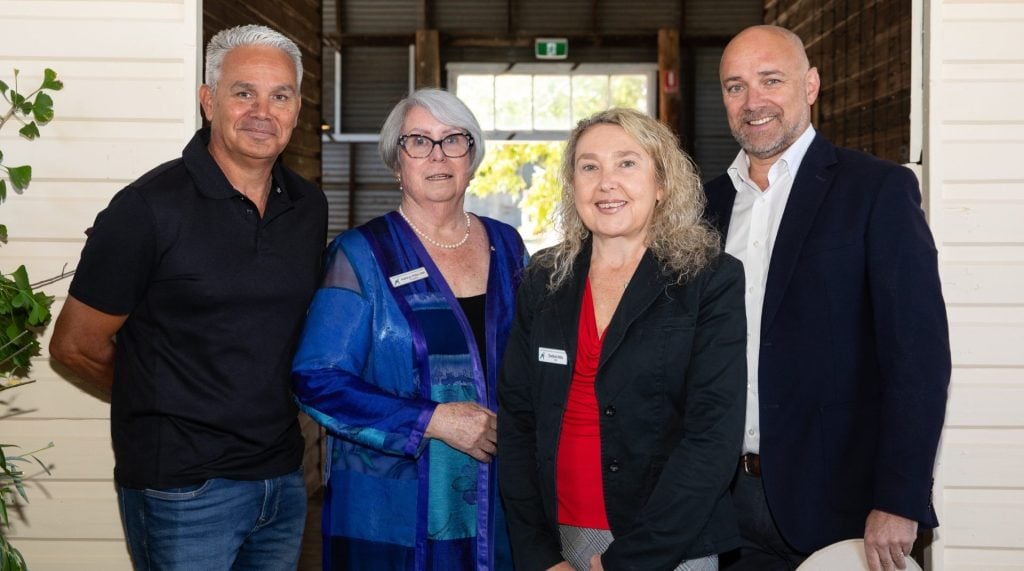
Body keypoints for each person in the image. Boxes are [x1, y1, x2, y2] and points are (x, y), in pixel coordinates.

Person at [48, 24, 326, 570]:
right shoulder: (146, 209)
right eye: (244, 92)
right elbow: (75, 346)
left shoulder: (308, 207)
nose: (262, 111)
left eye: (280, 95)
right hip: (182, 490)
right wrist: (165, 406)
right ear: (208, 100)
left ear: (296, 109)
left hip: (281, 482)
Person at [705, 25, 951, 571]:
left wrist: (899, 498)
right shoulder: (705, 206)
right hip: (721, 507)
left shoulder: (876, 190)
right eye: (735, 86)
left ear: (811, 85)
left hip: (843, 507)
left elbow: (918, 356)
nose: (754, 102)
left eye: (772, 80)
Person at [499, 108, 748, 571]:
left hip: (668, 545)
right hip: (559, 540)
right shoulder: (543, 278)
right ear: (573, 186)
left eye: (627, 163)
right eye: (589, 167)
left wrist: (627, 562)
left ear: (662, 183)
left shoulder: (709, 278)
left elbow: (713, 437)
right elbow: (517, 421)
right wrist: (537, 554)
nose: (606, 182)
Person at [291, 88, 526, 570]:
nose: (437, 155)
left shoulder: (507, 246)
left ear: (473, 156)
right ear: (396, 162)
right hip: (396, 511)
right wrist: (431, 420)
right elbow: (315, 378)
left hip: (501, 500)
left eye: (453, 140)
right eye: (418, 141)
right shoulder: (360, 255)